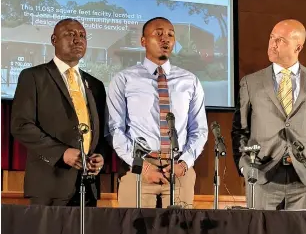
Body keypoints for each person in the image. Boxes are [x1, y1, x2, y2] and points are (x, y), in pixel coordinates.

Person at [231, 19, 306, 210]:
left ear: (298, 47)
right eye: (272, 37)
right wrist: (245, 167)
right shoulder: (250, 83)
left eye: (281, 40)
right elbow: (239, 130)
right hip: (262, 177)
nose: (273, 44)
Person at [106, 17, 208, 208]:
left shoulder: (190, 81)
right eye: (158, 34)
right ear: (143, 41)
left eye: (170, 35)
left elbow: (199, 130)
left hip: (179, 172)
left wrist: (184, 164)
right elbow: (114, 130)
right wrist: (143, 167)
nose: (165, 39)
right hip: (137, 170)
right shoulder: (124, 79)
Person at [11, 18, 107, 206]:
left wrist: (100, 156)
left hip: (88, 186)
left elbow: (101, 131)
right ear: (54, 40)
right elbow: (21, 125)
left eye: (82, 36)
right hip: (50, 184)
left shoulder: (95, 84)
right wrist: (61, 153)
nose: (78, 40)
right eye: (70, 34)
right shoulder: (33, 77)